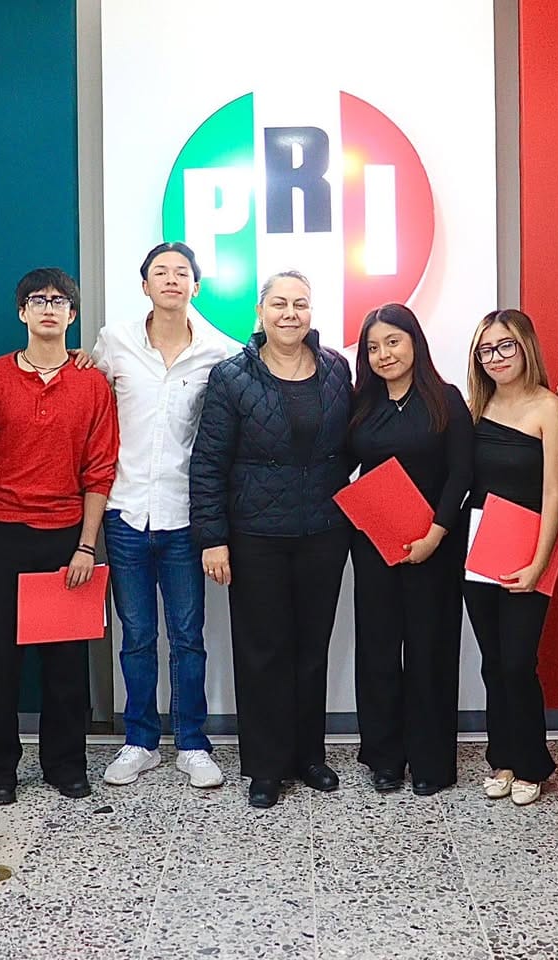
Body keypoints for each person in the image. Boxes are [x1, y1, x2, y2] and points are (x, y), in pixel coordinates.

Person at [189, 271, 352, 809]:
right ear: (260, 312)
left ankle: (309, 756)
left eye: (300, 304)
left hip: (323, 533)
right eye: (279, 303)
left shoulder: (336, 368)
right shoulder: (231, 376)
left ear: (311, 312)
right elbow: (208, 462)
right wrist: (212, 538)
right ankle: (265, 766)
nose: (290, 313)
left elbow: (354, 445)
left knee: (312, 647)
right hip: (255, 536)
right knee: (263, 651)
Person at [0, 268, 119, 805]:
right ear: (22, 312)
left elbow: (100, 470)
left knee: (65, 663)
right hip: (0, 534)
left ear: (72, 314)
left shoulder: (92, 383)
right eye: (38, 300)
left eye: (59, 301)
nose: (49, 308)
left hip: (65, 538)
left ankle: (65, 764)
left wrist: (86, 545)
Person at [94, 242, 229, 789]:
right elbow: (89, 399)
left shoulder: (220, 352)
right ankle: (140, 741)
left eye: (182, 272)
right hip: (125, 511)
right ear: (144, 284)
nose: (171, 279)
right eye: (160, 272)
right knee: (137, 636)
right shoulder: (115, 342)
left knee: (188, 636)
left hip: (184, 516)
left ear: (195, 285)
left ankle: (192, 743)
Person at [347, 303, 472, 796]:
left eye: (393, 342)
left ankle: (430, 761)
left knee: (430, 650)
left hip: (435, 545)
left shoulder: (445, 399)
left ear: (415, 342)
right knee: (377, 650)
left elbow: (461, 473)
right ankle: (384, 758)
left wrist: (435, 535)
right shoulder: (361, 404)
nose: (384, 354)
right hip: (375, 544)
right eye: (373, 347)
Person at [462, 309, 558, 806]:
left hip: (529, 551)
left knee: (519, 662)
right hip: (478, 551)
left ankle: (531, 762)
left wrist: (539, 563)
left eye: (505, 346)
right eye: (486, 350)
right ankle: (501, 758)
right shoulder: (475, 408)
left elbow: (553, 492)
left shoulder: (548, 407)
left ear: (525, 347)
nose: (496, 357)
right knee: (493, 662)